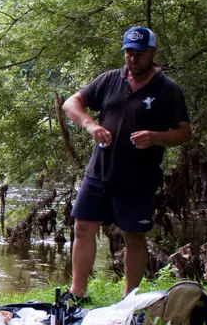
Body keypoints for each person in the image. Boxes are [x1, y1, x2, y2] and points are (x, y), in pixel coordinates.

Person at [60, 27, 191, 304]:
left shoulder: (168, 90)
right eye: (128, 53)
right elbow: (71, 103)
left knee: (134, 235)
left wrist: (156, 137)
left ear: (152, 53)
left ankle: (128, 299)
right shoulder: (109, 80)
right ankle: (77, 294)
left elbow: (184, 133)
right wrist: (91, 124)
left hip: (139, 176)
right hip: (100, 170)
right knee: (83, 227)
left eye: (139, 54)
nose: (132, 59)